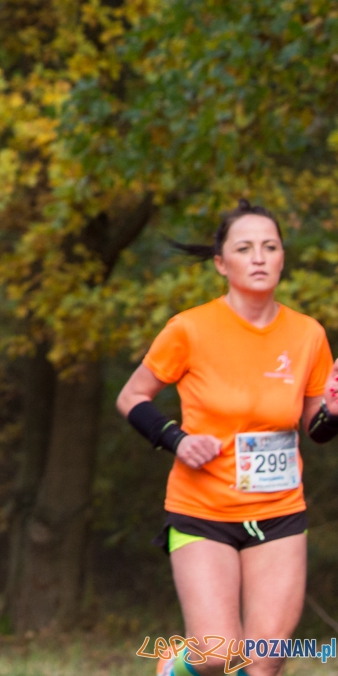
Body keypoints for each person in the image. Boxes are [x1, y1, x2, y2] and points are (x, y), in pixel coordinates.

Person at [116, 201, 338, 676]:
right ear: (222, 263)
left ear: (282, 257)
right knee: (219, 655)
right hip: (203, 512)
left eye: (269, 247)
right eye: (244, 248)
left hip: (279, 513)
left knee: (263, 665)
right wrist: (176, 439)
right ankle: (177, 665)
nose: (258, 257)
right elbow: (132, 396)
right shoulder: (190, 329)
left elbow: (314, 429)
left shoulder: (307, 335)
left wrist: (334, 415)